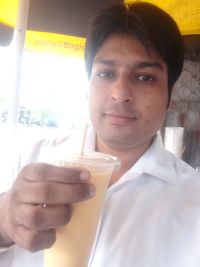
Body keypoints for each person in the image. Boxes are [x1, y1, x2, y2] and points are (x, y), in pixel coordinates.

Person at [0, 2, 200, 267]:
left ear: (169, 95)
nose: (119, 93)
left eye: (145, 78)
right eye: (105, 73)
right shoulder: (30, 157)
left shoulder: (191, 200)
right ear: (88, 85)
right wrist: (3, 222)